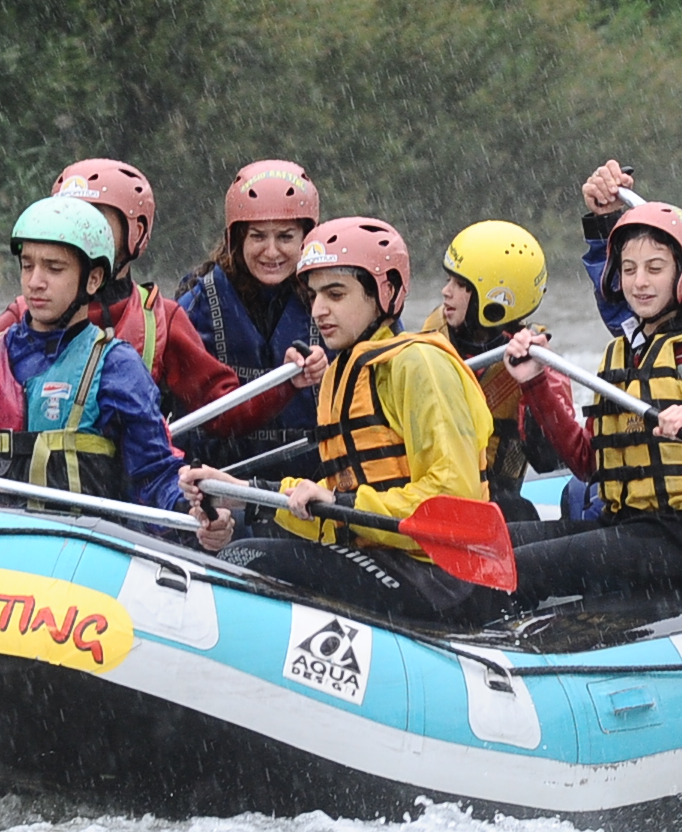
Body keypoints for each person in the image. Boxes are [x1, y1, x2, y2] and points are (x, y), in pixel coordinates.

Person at [0, 197, 237, 551]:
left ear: (92, 280)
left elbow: (153, 476)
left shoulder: (117, 368)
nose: (35, 281)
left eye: (54, 268)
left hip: (77, 556)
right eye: (28, 265)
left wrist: (193, 512)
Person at [179, 218, 495, 621]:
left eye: (335, 294)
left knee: (248, 556)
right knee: (240, 537)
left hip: (443, 578)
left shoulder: (419, 364)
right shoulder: (342, 373)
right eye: (313, 295)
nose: (318, 310)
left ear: (388, 292)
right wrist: (244, 492)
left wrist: (340, 502)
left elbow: (454, 501)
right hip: (389, 560)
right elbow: (335, 504)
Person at [499, 197, 682, 611]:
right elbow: (588, 463)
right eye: (628, 269)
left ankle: (497, 653)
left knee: (522, 566)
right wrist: (535, 383)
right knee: (500, 542)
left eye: (655, 268)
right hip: (623, 527)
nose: (639, 282)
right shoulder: (619, 354)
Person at [0, 159, 325, 453]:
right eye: (69, 220)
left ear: (136, 232)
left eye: (96, 223)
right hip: (27, 502)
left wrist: (288, 382)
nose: (80, 234)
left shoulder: (162, 319)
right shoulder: (19, 318)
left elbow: (221, 414)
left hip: (126, 508)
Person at [177, 160, 327, 469]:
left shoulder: (340, 297)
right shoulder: (197, 305)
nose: (271, 252)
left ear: (307, 239)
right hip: (223, 478)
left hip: (314, 483)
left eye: (285, 237)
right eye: (258, 236)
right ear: (237, 239)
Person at [422, 220, 574, 522]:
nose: (445, 292)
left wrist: (535, 385)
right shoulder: (433, 333)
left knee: (519, 513)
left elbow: (550, 460)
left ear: (497, 298)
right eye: (448, 279)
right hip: (430, 490)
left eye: (460, 284)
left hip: (495, 498)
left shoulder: (537, 358)